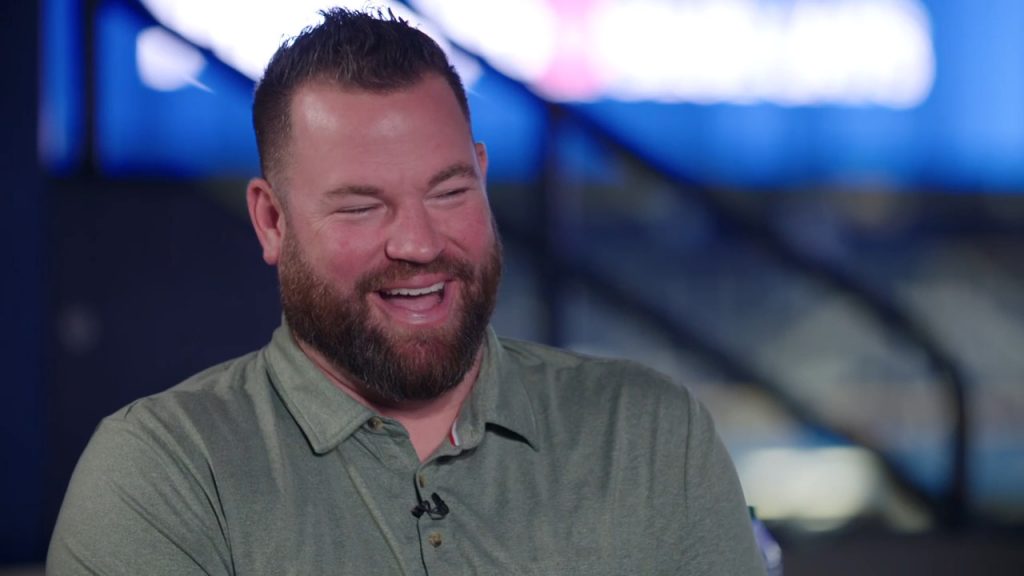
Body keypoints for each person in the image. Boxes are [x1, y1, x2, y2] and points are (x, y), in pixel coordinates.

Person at [47, 8, 766, 575]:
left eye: (450, 191)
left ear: (482, 177)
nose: (419, 245)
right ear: (271, 221)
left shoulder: (647, 437)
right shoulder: (164, 475)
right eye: (361, 206)